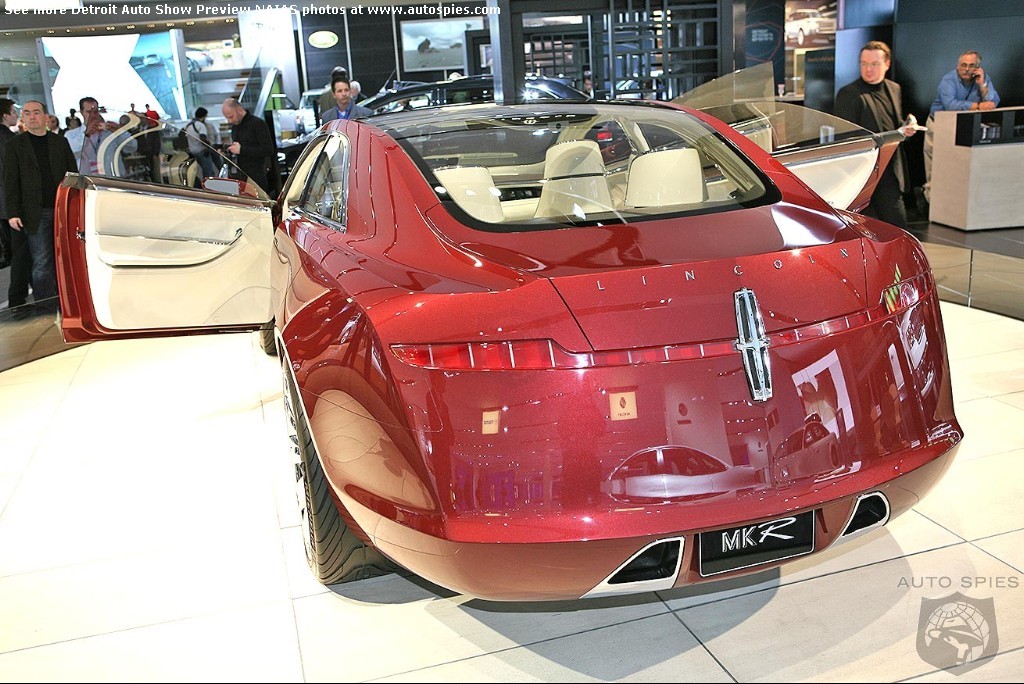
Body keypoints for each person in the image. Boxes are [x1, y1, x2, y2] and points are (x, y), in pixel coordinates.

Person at [3, 100, 77, 318]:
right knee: (42, 261)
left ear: (46, 117)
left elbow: (72, 175)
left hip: (62, 209)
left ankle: (69, 304)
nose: (32, 116)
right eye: (27, 113)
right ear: (23, 118)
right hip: (34, 212)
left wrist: (75, 204)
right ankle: (46, 309)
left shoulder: (60, 142)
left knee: (65, 259)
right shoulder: (15, 145)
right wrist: (13, 212)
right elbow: (10, 181)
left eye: (36, 112)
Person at [834, 40, 918, 230]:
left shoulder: (894, 89)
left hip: (889, 168)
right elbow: (845, 139)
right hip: (864, 173)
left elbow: (892, 123)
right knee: (863, 229)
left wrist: (906, 128)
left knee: (897, 225)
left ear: (887, 64)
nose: (868, 69)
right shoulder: (849, 94)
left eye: (874, 64)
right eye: (864, 64)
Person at [922, 50, 1000, 203]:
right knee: (936, 168)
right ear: (958, 66)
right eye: (963, 65)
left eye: (971, 66)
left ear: (977, 68)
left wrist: (982, 85)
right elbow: (950, 105)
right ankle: (930, 203)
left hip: (962, 128)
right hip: (938, 125)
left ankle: (950, 205)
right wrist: (978, 106)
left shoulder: (982, 79)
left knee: (956, 170)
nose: (966, 69)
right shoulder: (948, 80)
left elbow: (993, 102)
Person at [221, 97, 274, 193]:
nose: (229, 121)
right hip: (239, 175)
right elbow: (239, 146)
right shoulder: (235, 126)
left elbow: (268, 150)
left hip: (256, 177)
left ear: (239, 110)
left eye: (231, 116)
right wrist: (228, 150)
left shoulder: (258, 124)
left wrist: (241, 150)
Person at [0, 98, 17, 273]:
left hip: (3, 202)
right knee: (20, 247)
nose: (16, 115)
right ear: (5, 116)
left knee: (8, 245)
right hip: (11, 200)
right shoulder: (11, 140)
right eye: (13, 112)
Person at [185, 106, 219, 180]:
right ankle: (208, 186)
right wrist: (209, 146)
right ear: (204, 116)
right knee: (208, 172)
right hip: (202, 151)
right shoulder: (200, 125)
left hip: (193, 151)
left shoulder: (188, 125)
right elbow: (203, 138)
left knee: (207, 171)